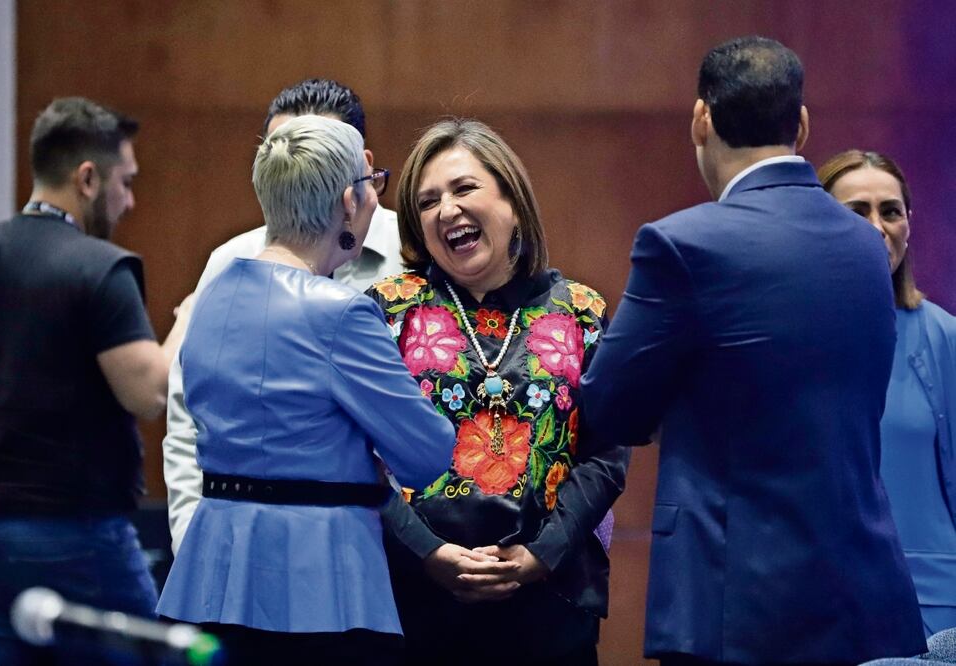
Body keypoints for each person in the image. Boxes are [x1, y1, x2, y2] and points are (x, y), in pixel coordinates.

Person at [581, 36, 926, 664]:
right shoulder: (865, 247)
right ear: (800, 124)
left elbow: (610, 410)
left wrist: (683, 387)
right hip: (863, 597)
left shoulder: (681, 244)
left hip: (733, 602)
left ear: (701, 119)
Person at [156, 114, 454, 665]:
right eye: (371, 185)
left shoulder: (212, 295)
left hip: (210, 568)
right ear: (348, 200)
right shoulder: (341, 314)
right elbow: (427, 455)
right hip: (321, 583)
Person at [364, 118, 629, 665]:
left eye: (464, 189)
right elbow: (354, 455)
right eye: (428, 201)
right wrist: (429, 552)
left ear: (511, 200)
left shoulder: (581, 310)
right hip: (412, 600)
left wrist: (541, 554)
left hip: (549, 602)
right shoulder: (385, 309)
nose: (446, 211)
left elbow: (606, 454)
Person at [0, 97, 176, 665]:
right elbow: (148, 394)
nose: (128, 200)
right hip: (71, 533)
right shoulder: (100, 268)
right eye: (124, 182)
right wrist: (189, 318)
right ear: (87, 178)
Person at [163, 78, 405, 551]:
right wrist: (193, 537)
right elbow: (188, 418)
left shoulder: (415, 250)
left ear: (364, 168)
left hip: (401, 552)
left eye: (320, 163)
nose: (302, 180)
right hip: (249, 543)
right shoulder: (229, 263)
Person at [819, 150, 956, 638]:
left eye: (890, 211)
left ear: (909, 224)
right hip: (817, 605)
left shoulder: (946, 338)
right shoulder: (791, 334)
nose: (876, 226)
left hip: (931, 613)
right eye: (856, 212)